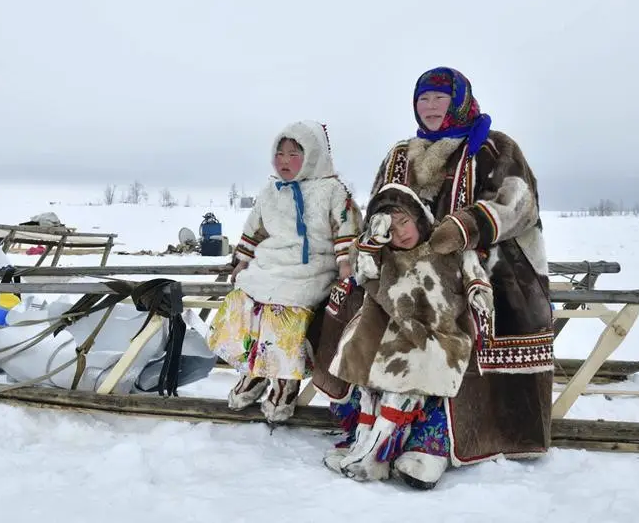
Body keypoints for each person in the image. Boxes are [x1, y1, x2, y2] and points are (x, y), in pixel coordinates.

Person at [330, 66, 554, 490]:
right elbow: (379, 204)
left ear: (459, 101)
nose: (430, 107)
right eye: (423, 99)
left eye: (439, 98)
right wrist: (378, 237)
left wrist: (467, 225)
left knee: (459, 332)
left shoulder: (494, 147)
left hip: (488, 268)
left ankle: (432, 444)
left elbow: (520, 204)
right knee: (368, 326)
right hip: (406, 274)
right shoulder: (400, 154)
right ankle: (373, 436)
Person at [321, 182, 494, 484]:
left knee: (405, 378)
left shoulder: (447, 245)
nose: (400, 233)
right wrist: (374, 241)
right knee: (367, 380)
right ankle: (362, 445)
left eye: (404, 221)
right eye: (392, 228)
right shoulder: (386, 255)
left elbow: (473, 272)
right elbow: (364, 270)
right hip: (394, 331)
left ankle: (376, 456)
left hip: (438, 334)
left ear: (418, 216)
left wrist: (479, 293)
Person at [207, 120, 362, 423]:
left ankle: (284, 382)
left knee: (283, 309)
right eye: (279, 154)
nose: (284, 161)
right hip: (272, 265)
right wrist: (242, 260)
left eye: (294, 154)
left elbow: (346, 230)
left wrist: (346, 265)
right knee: (243, 300)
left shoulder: (331, 190)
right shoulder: (271, 190)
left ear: (313, 155)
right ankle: (254, 371)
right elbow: (255, 228)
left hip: (313, 268)